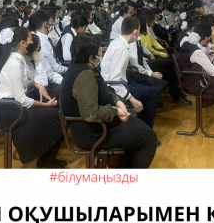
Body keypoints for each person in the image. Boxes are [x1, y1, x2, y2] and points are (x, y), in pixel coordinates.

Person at [60, 33, 157, 168]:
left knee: (140, 126)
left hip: (99, 125)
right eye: (100, 49)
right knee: (149, 138)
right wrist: (115, 111)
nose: (102, 51)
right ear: (91, 57)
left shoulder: (85, 67)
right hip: (93, 133)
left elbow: (104, 89)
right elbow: (91, 113)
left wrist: (118, 102)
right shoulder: (84, 75)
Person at [0, 27, 66, 168]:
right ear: (23, 43)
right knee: (59, 116)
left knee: (58, 114)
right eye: (30, 39)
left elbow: (23, 82)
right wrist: (46, 105)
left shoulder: (17, 59)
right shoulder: (14, 63)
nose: (32, 42)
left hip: (15, 106)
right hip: (11, 110)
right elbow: (22, 99)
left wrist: (37, 85)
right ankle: (46, 160)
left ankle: (46, 159)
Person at [101, 17, 161, 133]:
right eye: (139, 30)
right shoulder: (121, 48)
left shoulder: (117, 42)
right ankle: (146, 132)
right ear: (135, 32)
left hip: (117, 83)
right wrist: (131, 98)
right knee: (154, 93)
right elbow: (115, 81)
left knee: (150, 90)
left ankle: (142, 127)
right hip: (113, 87)